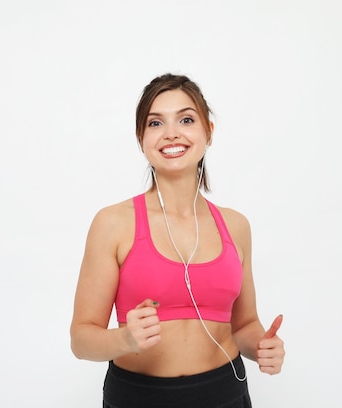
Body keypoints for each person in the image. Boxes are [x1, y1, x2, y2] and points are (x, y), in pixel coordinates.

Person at [70, 73, 285, 408]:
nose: (171, 133)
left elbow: (244, 325)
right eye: (155, 123)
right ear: (141, 138)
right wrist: (124, 338)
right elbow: (81, 340)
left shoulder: (235, 225)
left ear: (208, 132)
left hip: (225, 393)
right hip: (138, 398)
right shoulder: (112, 224)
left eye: (186, 119)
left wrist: (261, 346)